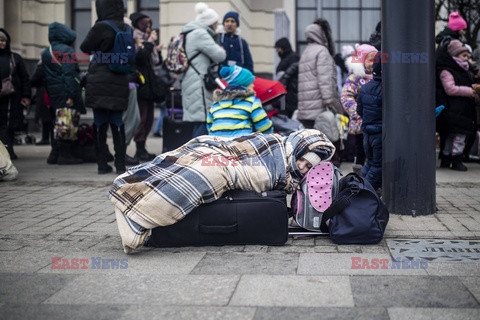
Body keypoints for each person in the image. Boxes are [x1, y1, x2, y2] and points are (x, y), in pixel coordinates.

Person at [109, 129, 335, 253]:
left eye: (308, 168)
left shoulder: (289, 175)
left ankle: (138, 210)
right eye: (304, 162)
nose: (303, 169)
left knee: (209, 170)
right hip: (224, 151)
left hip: (230, 162)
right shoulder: (278, 145)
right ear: (297, 149)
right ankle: (136, 195)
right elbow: (243, 148)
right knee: (201, 163)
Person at [80, 0, 129, 174]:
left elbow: (84, 47)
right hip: (120, 81)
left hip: (99, 80)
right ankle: (121, 165)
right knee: (117, 121)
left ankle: (102, 164)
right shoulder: (126, 28)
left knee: (100, 122)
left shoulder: (100, 27)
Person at [41, 22, 85, 165]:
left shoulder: (47, 51)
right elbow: (69, 75)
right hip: (65, 92)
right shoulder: (67, 51)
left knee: (57, 122)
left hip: (54, 92)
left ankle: (54, 154)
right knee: (67, 121)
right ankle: (65, 156)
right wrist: (71, 95)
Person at [181, 2, 226, 138]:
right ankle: (196, 154)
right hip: (198, 82)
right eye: (216, 23)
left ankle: (194, 153)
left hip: (193, 79)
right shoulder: (200, 33)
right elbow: (220, 55)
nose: (217, 26)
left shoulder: (190, 32)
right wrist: (221, 49)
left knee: (198, 120)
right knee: (202, 120)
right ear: (210, 22)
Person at [436, 39, 479, 171]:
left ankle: (447, 158)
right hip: (453, 109)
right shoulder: (447, 70)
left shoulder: (463, 70)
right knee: (457, 136)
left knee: (454, 135)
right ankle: (455, 159)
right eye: (463, 55)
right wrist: (470, 91)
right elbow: (450, 89)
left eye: (468, 56)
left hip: (461, 109)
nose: (467, 59)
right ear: (454, 56)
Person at [129, 12, 163, 162]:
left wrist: (156, 49)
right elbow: (140, 57)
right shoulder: (134, 37)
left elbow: (155, 62)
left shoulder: (146, 39)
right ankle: (139, 149)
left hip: (148, 84)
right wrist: (149, 42)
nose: (147, 27)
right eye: (145, 24)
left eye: (149, 24)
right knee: (142, 118)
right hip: (140, 83)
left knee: (149, 118)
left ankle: (142, 149)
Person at [297, 19, 343, 129]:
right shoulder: (322, 51)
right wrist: (331, 103)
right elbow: (325, 80)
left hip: (305, 109)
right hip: (319, 109)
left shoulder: (306, 51)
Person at [341, 43, 378, 174]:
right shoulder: (355, 78)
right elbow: (346, 97)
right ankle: (358, 176)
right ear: (361, 61)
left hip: (374, 122)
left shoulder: (378, 77)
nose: (374, 63)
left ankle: (371, 176)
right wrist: (358, 112)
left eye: (376, 59)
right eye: (370, 59)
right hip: (360, 124)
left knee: (373, 151)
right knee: (360, 151)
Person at [207, 65, 273, 137]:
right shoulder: (251, 101)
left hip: (217, 143)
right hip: (239, 144)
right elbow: (264, 127)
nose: (253, 85)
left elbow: (209, 126)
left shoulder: (217, 103)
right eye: (250, 83)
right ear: (244, 85)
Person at [0, 28, 31, 160]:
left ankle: (8, 151)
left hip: (11, 98)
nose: (1, 43)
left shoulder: (15, 58)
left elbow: (25, 78)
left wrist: (26, 95)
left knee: (8, 126)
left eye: (3, 40)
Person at [357, 53, 382, 191]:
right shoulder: (388, 90)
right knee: (378, 166)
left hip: (367, 133)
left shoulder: (365, 87)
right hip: (380, 133)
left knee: (369, 163)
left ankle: (358, 185)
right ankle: (363, 191)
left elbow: (359, 110)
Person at [30, 52, 54, 146]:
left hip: (43, 93)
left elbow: (34, 80)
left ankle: (45, 138)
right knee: (49, 117)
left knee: (45, 117)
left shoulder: (42, 67)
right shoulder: (52, 65)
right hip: (51, 92)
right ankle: (50, 137)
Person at [275, 37, 300, 118]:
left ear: (283, 48)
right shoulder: (286, 58)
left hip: (290, 91)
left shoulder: (293, 58)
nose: (277, 51)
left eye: (278, 48)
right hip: (286, 92)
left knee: (288, 112)